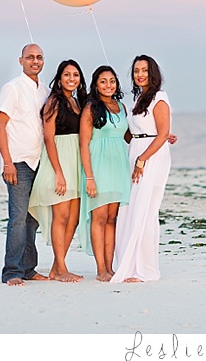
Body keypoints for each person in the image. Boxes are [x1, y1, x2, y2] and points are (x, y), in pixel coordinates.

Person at [110, 55, 172, 283]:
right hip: (136, 151)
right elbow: (136, 132)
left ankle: (145, 270)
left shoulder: (159, 98)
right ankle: (130, 265)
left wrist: (142, 159)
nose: (140, 74)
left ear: (152, 72)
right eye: (136, 70)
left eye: (144, 70)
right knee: (131, 210)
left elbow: (162, 133)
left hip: (150, 157)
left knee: (145, 212)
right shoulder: (139, 99)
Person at [0, 43, 50, 286]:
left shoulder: (44, 90)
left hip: (40, 163)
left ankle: (28, 268)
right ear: (21, 61)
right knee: (17, 218)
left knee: (32, 219)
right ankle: (12, 272)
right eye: (30, 57)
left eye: (38, 57)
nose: (34, 61)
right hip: (19, 162)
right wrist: (7, 162)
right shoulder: (12, 88)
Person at [28, 59, 87, 283]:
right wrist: (58, 172)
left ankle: (56, 267)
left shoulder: (78, 102)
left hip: (76, 163)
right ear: (60, 79)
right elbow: (48, 138)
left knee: (73, 218)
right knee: (61, 217)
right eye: (67, 75)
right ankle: (61, 269)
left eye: (75, 75)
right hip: (59, 162)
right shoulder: (54, 101)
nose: (71, 79)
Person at [78, 65, 131, 282]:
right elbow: (83, 143)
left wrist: (160, 137)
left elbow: (129, 136)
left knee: (112, 218)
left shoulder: (121, 106)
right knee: (98, 218)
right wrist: (89, 177)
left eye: (111, 81)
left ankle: (110, 267)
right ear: (96, 84)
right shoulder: (91, 108)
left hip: (119, 166)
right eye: (103, 81)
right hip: (98, 167)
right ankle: (101, 269)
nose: (108, 85)